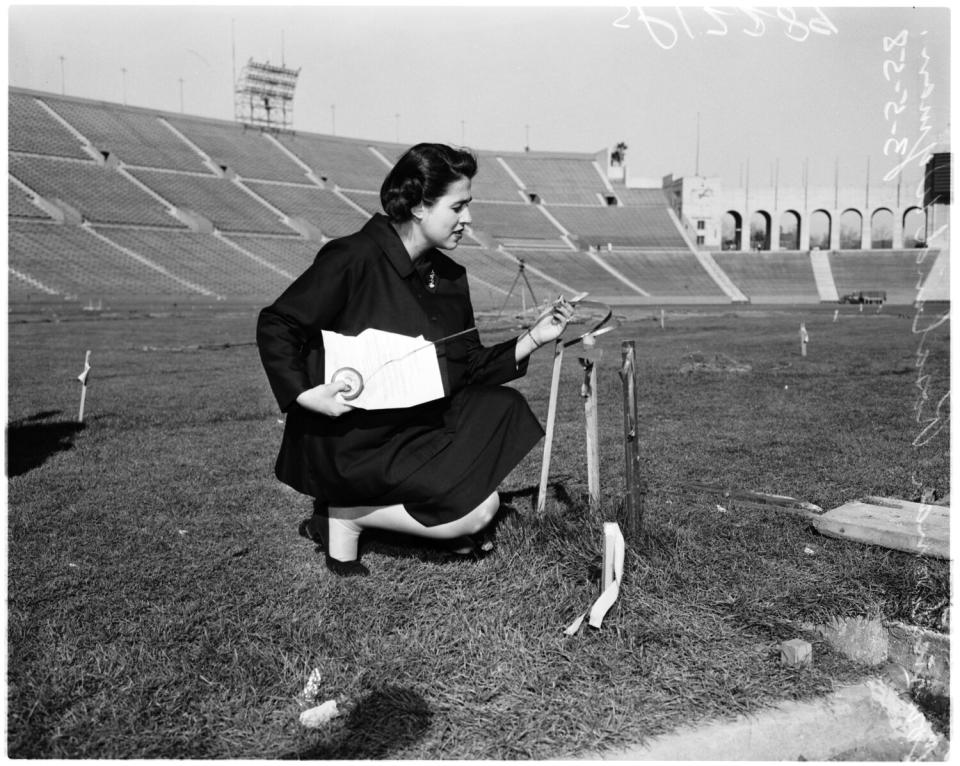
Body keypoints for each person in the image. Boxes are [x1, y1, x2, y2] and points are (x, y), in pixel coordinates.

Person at [257, 143, 574, 575]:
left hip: (416, 429)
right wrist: (306, 394)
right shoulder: (353, 257)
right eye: (458, 206)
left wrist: (536, 337)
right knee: (476, 514)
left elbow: (469, 368)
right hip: (356, 440)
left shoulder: (447, 276)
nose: (468, 220)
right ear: (421, 206)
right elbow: (278, 324)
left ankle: (394, 511)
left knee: (502, 418)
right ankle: (345, 515)